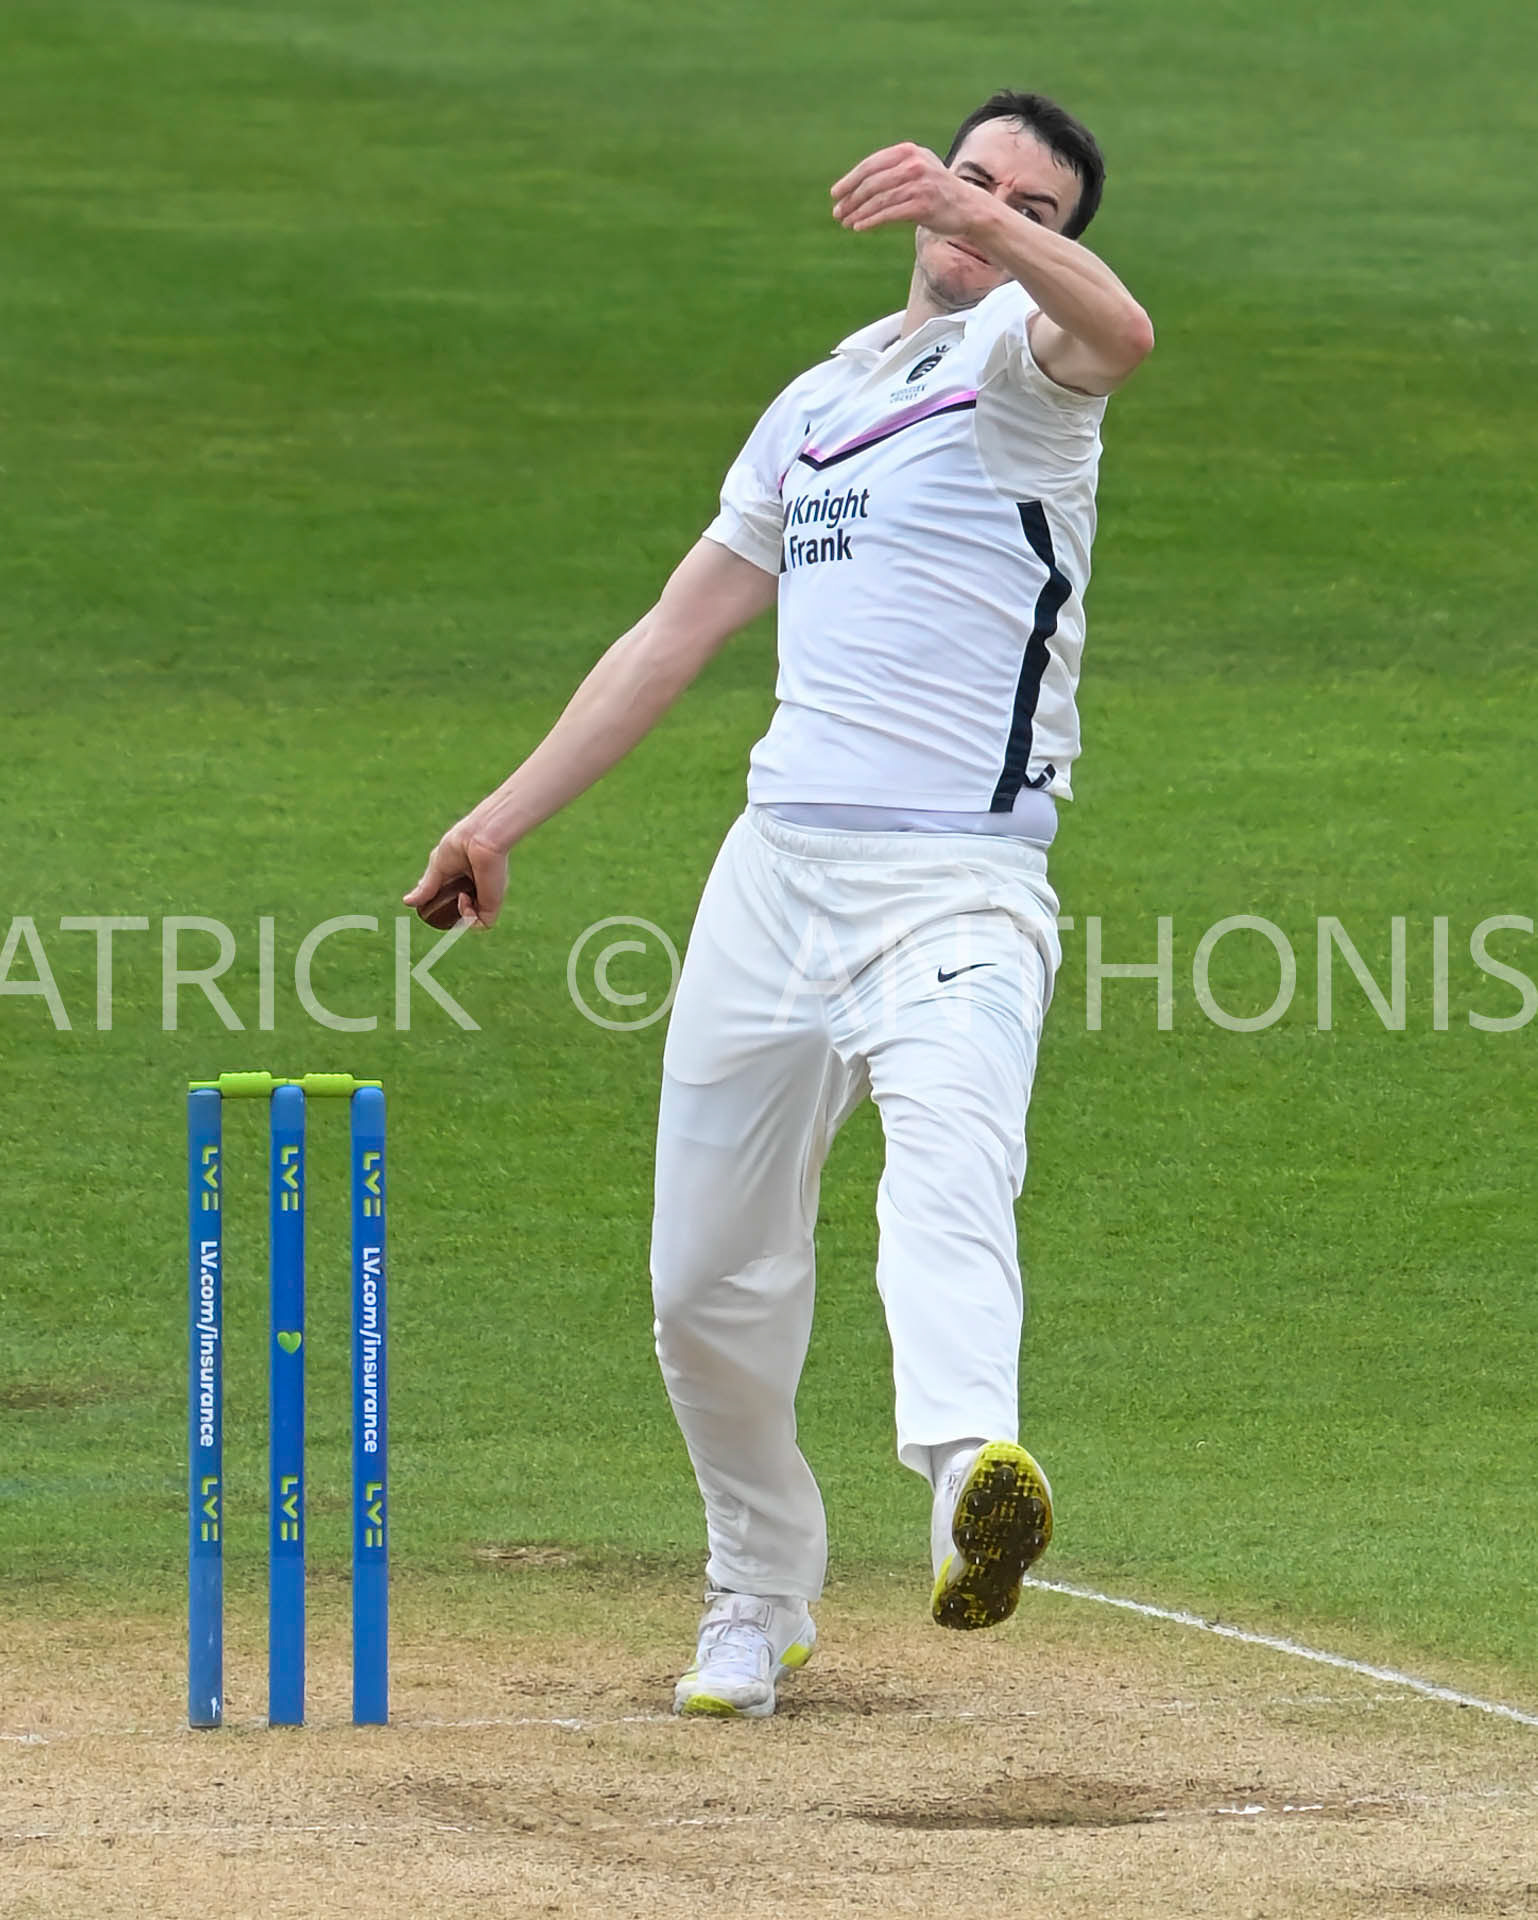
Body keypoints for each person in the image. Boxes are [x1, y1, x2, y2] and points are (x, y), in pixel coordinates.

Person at [407, 89, 1154, 1718]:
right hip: (774, 873)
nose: (981, 209)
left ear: (1046, 242)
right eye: (967, 177)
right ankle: (756, 1591)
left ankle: (972, 1485)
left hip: (958, 879)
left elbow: (1125, 330)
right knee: (704, 1282)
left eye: (1026, 202)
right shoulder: (817, 401)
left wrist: (998, 235)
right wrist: (497, 818)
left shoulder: (1031, 374)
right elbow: (671, 635)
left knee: (950, 1171)